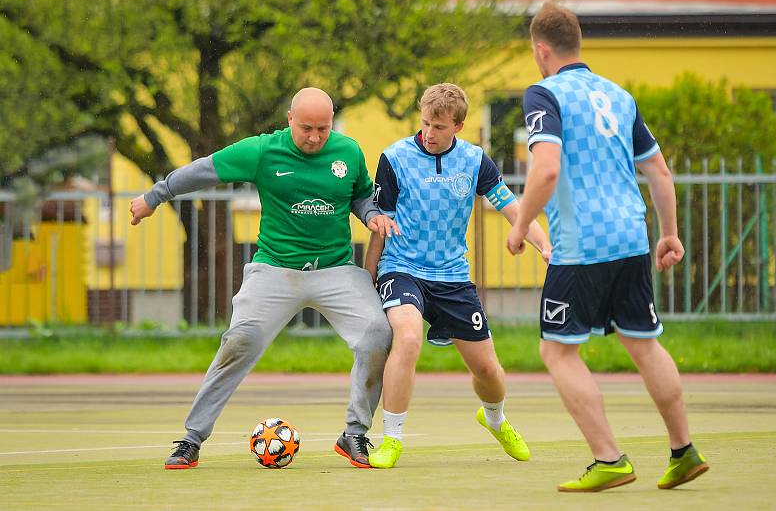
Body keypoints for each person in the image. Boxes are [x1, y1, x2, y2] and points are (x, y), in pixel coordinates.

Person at [130, 87, 396, 470]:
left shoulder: (349, 151)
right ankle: (191, 438)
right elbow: (204, 169)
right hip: (275, 269)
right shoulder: (261, 151)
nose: (315, 137)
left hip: (337, 269)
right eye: (307, 128)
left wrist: (371, 214)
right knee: (241, 338)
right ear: (289, 120)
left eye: (324, 128)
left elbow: (361, 196)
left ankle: (354, 433)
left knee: (377, 333)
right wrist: (155, 197)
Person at [506, 2, 709, 492]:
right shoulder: (618, 95)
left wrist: (521, 226)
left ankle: (609, 459)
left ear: (541, 49)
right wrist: (669, 233)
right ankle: (683, 451)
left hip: (581, 245)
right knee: (643, 343)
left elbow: (547, 168)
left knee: (557, 351)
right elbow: (658, 171)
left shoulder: (543, 93)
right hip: (631, 237)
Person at [364, 83, 552, 469]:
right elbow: (380, 224)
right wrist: (369, 277)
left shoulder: (474, 160)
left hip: (452, 276)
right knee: (409, 338)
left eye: (439, 127)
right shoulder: (395, 157)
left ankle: (495, 418)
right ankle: (391, 440)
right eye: (425, 124)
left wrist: (545, 247)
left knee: (488, 370)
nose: (429, 134)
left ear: (459, 126)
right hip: (402, 268)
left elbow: (511, 208)